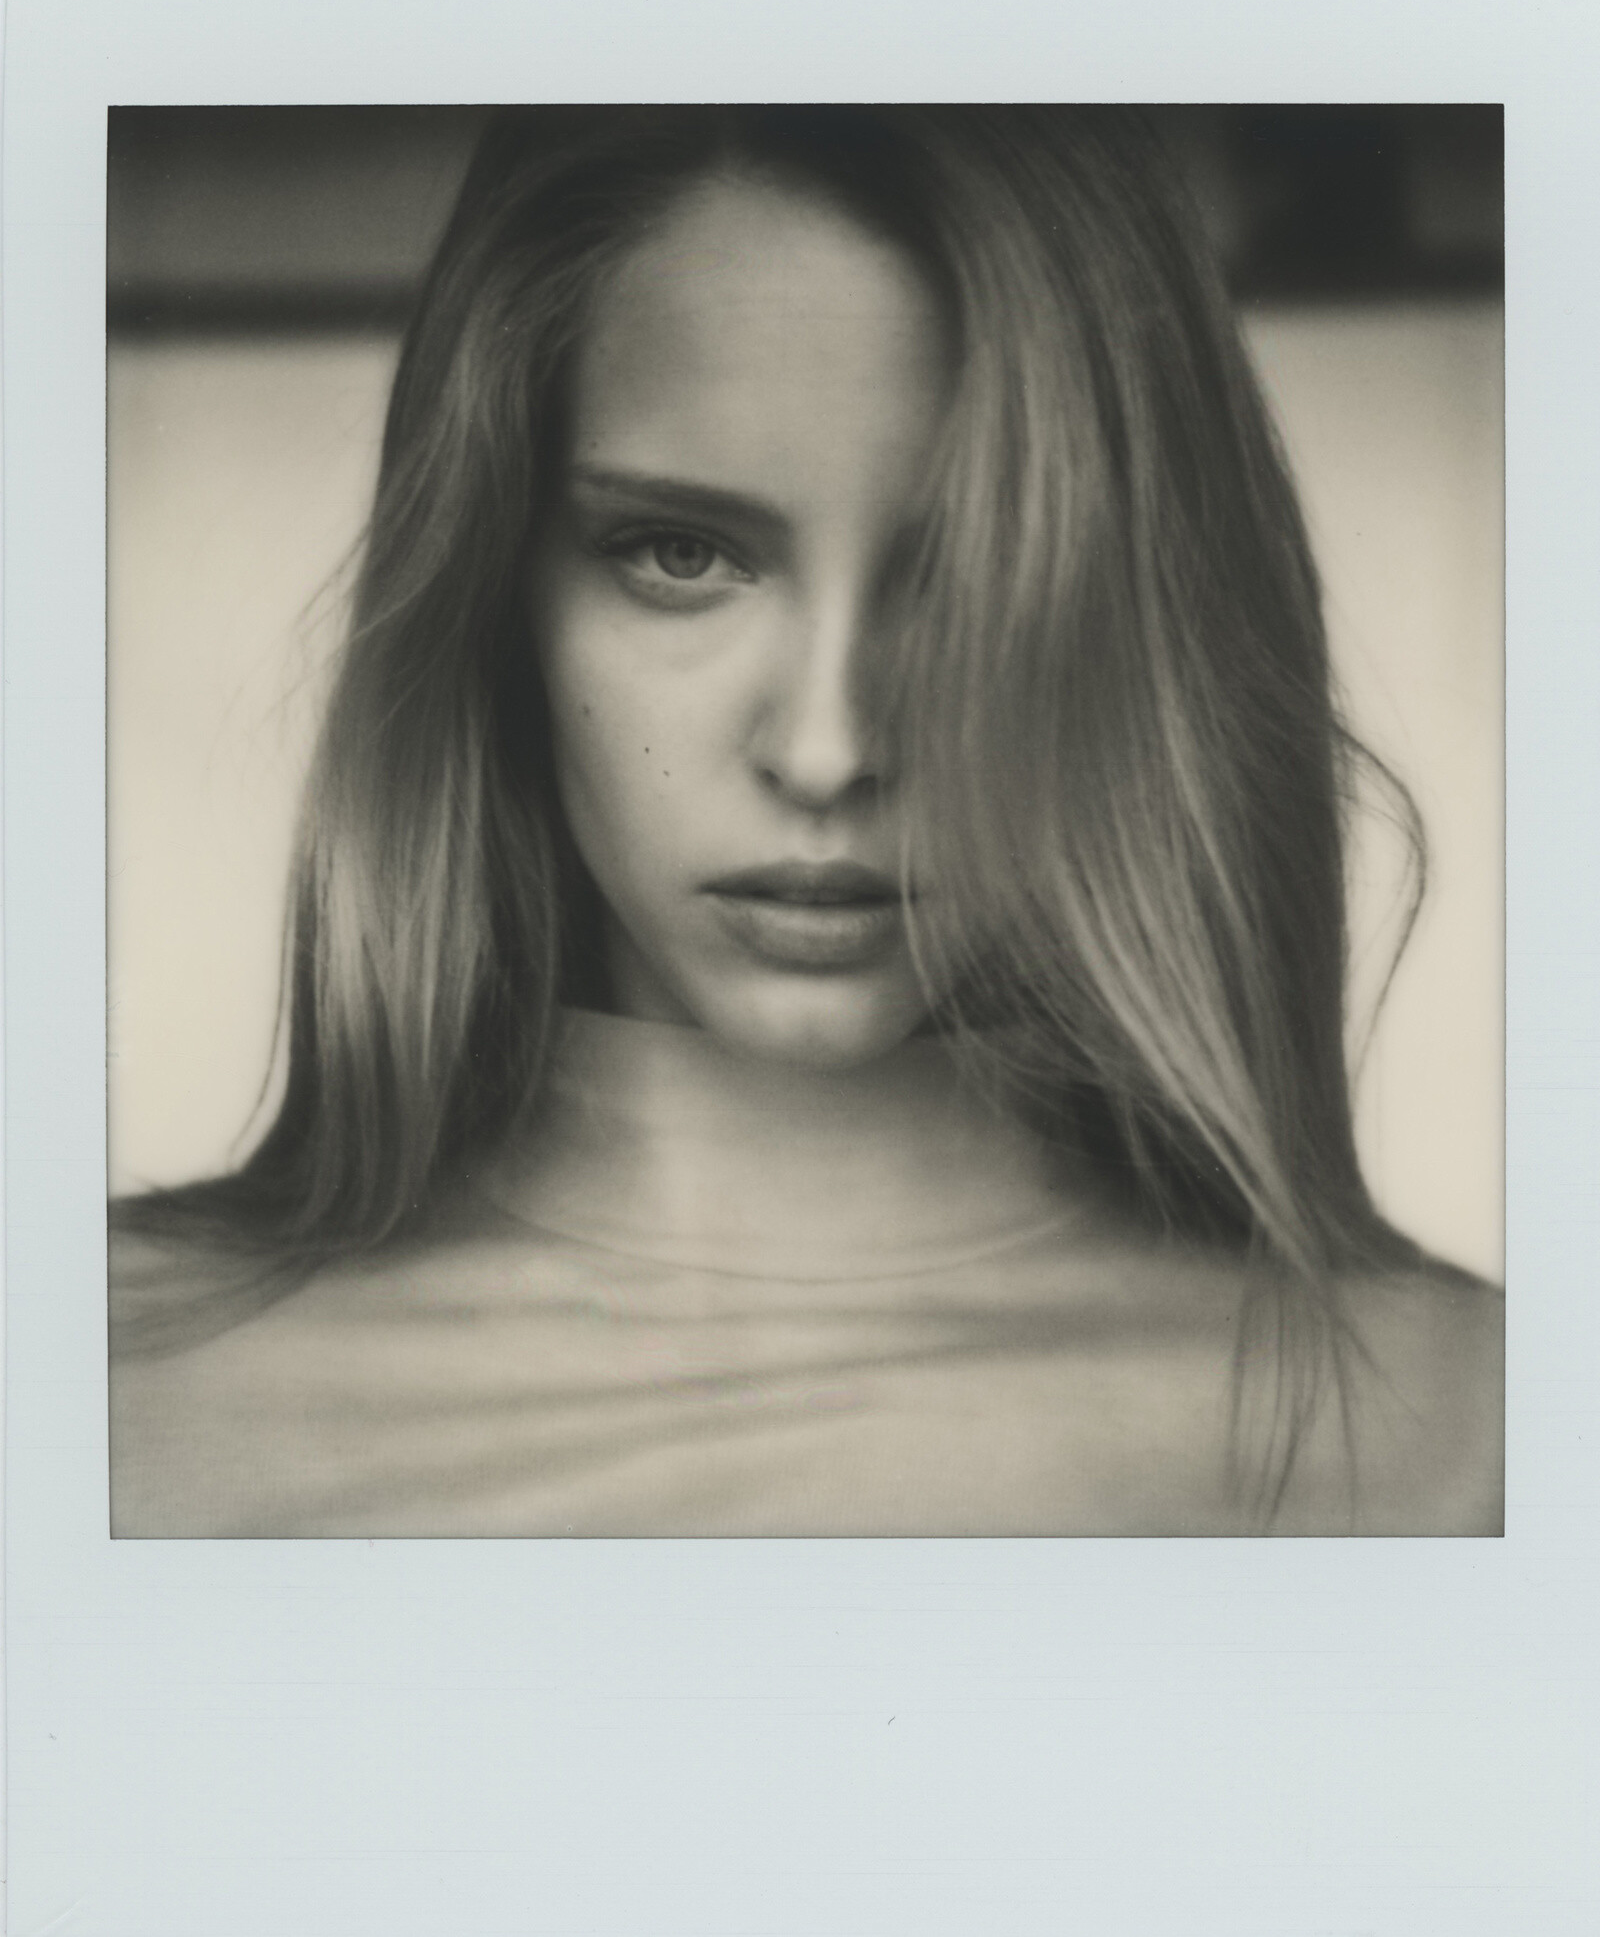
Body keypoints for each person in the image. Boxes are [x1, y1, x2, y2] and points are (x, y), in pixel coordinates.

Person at [109, 104, 1502, 1537]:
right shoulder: (102, 1405)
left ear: (1140, 632)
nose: (829, 750)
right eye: (680, 554)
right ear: (495, 594)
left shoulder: (1467, 1443)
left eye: (976, 572)